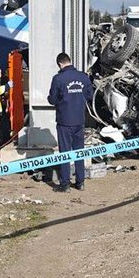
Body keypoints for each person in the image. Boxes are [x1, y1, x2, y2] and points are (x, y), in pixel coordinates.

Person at [47, 53, 93, 192]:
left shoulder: (58, 78)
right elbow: (89, 95)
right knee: (79, 151)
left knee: (65, 152)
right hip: (79, 119)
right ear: (69, 61)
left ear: (60, 64)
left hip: (64, 121)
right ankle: (80, 182)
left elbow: (53, 99)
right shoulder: (83, 77)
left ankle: (65, 184)